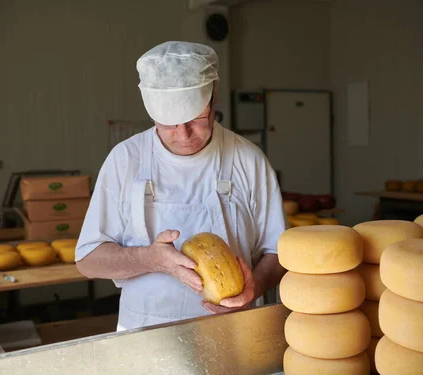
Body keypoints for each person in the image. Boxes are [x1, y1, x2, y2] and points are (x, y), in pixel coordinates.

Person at [75, 41, 286, 331]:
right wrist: (150, 259)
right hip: (144, 337)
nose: (184, 134)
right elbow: (88, 260)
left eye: (197, 118)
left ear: (213, 98)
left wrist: (256, 285)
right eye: (169, 122)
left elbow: (278, 252)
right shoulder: (126, 159)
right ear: (151, 113)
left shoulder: (248, 160)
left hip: (236, 333)